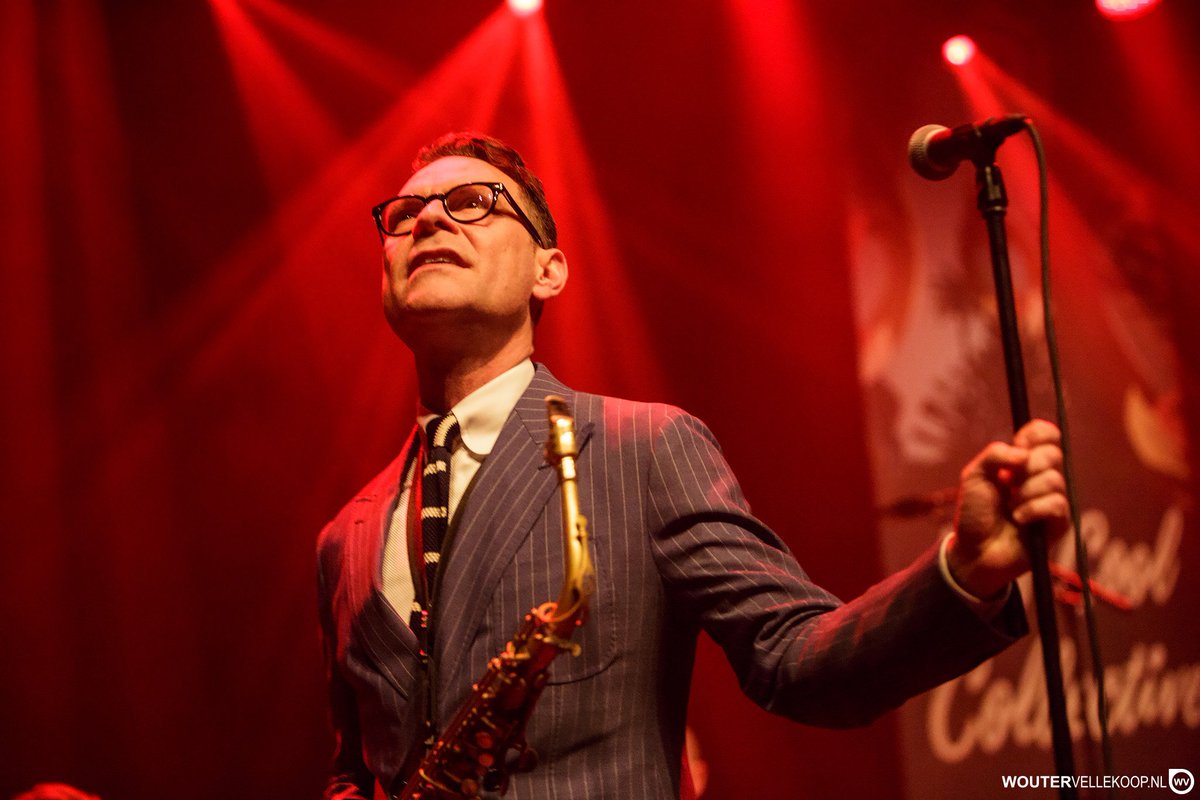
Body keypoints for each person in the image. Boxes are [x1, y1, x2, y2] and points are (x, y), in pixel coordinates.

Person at [316, 132, 1070, 800]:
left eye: (473, 202)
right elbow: (358, 766)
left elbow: (795, 658)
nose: (430, 219)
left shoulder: (640, 447)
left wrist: (965, 570)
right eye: (404, 214)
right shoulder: (343, 536)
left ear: (550, 272)